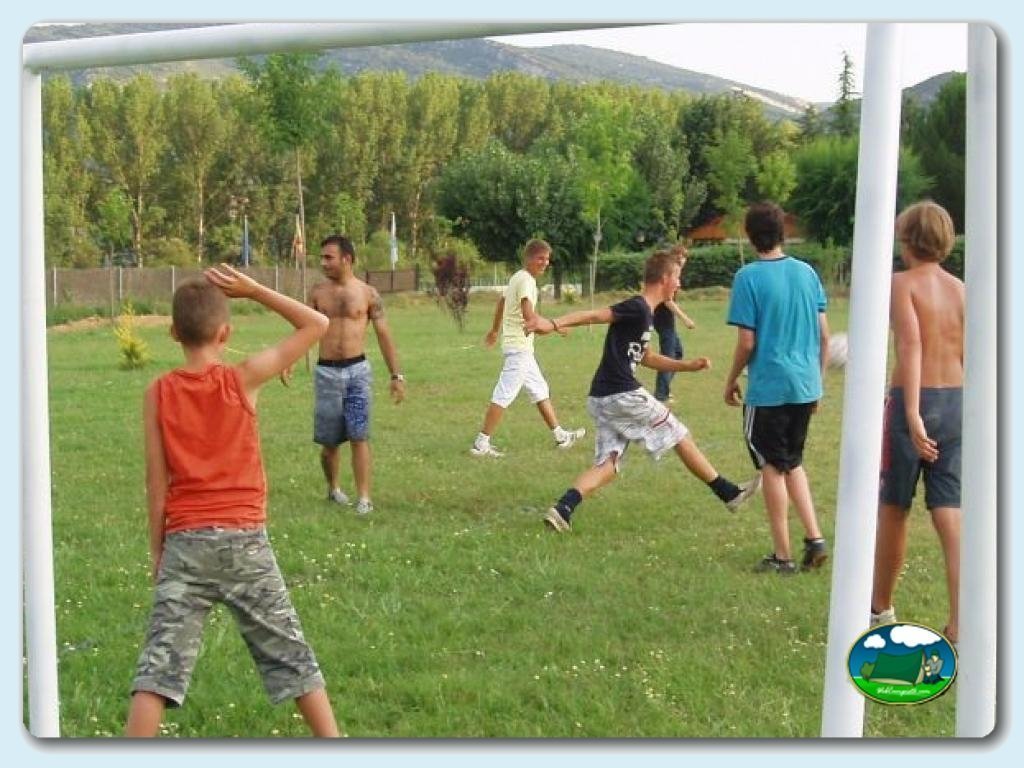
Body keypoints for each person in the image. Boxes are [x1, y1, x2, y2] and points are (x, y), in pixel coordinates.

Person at [125, 265, 339, 737]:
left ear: (173, 332)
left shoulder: (156, 393)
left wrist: (158, 549)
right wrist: (255, 289)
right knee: (292, 657)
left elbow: (155, 482)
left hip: (185, 542)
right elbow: (317, 325)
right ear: (226, 332)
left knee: (157, 672)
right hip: (245, 542)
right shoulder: (242, 379)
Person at [527, 249, 760, 532]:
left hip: (601, 397)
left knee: (609, 463)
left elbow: (646, 356)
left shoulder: (646, 314)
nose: (679, 285)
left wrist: (687, 366)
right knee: (679, 433)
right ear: (664, 278)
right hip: (620, 394)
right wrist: (552, 324)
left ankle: (563, 509)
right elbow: (597, 314)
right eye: (677, 277)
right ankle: (729, 493)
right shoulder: (638, 307)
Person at [870, 201, 963, 643]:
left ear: (906, 240)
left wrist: (910, 414)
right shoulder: (962, 289)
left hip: (915, 400)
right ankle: (962, 617)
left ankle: (880, 608)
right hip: (959, 400)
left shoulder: (900, 284)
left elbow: (910, 345)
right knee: (950, 510)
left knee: (894, 506)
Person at [723, 201, 829, 575]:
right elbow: (824, 334)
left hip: (768, 386)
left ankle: (782, 555)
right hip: (804, 385)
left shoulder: (748, 278)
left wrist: (731, 377)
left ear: (750, 236)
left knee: (771, 465)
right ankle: (815, 538)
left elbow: (748, 342)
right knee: (792, 460)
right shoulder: (806, 273)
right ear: (782, 232)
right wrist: (817, 382)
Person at [298, 235, 405, 515]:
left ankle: (364, 498)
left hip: (358, 372)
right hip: (326, 373)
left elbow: (384, 334)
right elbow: (304, 330)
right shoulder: (317, 293)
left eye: (328, 257)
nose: (323, 263)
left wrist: (396, 375)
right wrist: (290, 360)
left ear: (347, 259)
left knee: (360, 434)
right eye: (322, 258)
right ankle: (333, 489)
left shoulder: (368, 294)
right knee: (329, 443)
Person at [470, 238, 586, 458]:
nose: (545, 263)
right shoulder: (526, 281)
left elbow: (502, 303)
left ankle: (561, 436)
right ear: (529, 258)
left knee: (540, 390)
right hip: (519, 349)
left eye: (547, 259)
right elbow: (530, 320)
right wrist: (556, 325)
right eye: (540, 258)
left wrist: (495, 331)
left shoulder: (518, 277)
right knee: (504, 394)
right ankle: (480, 444)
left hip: (520, 348)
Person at [653, 245, 697, 404]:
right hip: (662, 318)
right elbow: (667, 300)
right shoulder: (669, 273)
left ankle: (663, 390)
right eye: (681, 256)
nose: (683, 260)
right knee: (668, 356)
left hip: (666, 319)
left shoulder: (674, 273)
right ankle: (660, 395)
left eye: (685, 257)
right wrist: (685, 319)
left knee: (677, 353)